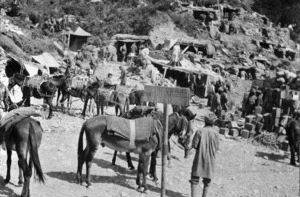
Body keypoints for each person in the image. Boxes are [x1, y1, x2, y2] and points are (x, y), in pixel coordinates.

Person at [190, 112, 220, 197]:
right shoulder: (216, 133)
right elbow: (217, 147)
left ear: (205, 121)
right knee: (207, 181)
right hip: (210, 160)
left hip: (199, 159)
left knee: (194, 180)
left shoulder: (199, 131)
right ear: (213, 123)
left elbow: (194, 145)